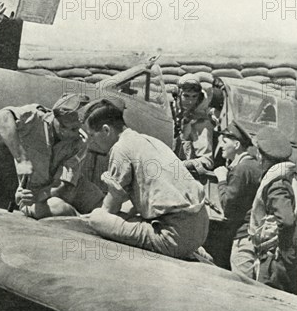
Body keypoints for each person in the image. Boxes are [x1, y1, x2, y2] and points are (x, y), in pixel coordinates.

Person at [83, 98, 209, 259]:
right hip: (198, 227)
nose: (91, 141)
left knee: (97, 219)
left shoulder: (121, 148)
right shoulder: (147, 141)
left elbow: (110, 207)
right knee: (123, 217)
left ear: (106, 130)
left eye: (92, 135)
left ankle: (182, 247)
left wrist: (97, 216)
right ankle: (195, 249)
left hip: (173, 235)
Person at [0, 93, 103, 219]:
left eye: (76, 128)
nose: (72, 133)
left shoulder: (80, 142)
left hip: (68, 188)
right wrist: (21, 159)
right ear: (56, 120)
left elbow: (63, 185)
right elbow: (1, 117)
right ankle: (85, 221)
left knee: (104, 205)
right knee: (58, 207)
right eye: (68, 127)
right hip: (37, 196)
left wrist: (38, 195)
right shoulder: (35, 118)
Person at [231, 126, 297, 295]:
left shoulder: (275, 184)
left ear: (260, 155)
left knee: (268, 306)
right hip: (291, 255)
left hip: (276, 259)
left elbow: (286, 220)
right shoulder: (291, 177)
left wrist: (283, 251)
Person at [213, 122, 262, 265]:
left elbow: (227, 206)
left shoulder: (240, 170)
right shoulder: (254, 165)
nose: (221, 146)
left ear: (236, 145)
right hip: (255, 233)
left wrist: (221, 179)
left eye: (224, 142)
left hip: (243, 238)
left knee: (242, 282)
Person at [174, 74, 214, 178]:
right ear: (178, 94)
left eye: (194, 96)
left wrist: (189, 163)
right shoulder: (171, 111)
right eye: (186, 96)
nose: (190, 101)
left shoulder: (201, 122)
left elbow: (207, 160)